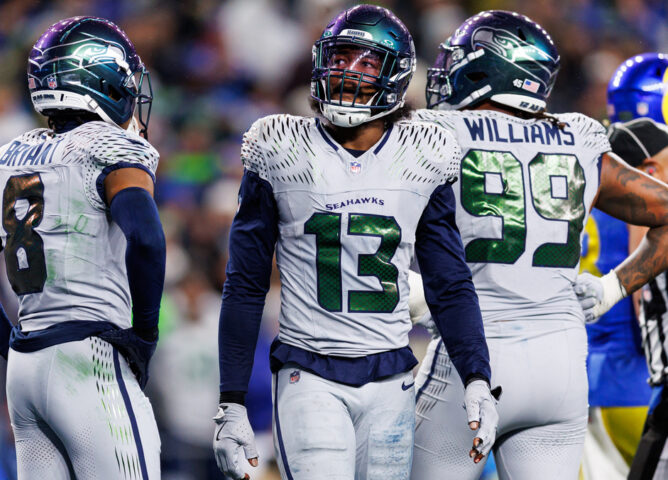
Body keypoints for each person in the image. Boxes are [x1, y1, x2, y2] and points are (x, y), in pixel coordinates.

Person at [213, 5, 498, 480]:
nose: (348, 72)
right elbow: (245, 283)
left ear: (395, 74)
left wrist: (477, 377)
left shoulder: (422, 153)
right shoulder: (280, 144)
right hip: (309, 372)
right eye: (341, 58)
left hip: (393, 376)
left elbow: (449, 281)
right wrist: (231, 400)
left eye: (367, 62)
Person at [411, 11, 668, 480]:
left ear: (489, 69)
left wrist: (415, 291)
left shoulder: (435, 134)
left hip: (473, 358)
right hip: (561, 364)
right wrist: (614, 287)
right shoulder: (577, 136)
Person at [0, 16, 165, 479]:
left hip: (26, 370)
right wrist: (144, 336)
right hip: (89, 360)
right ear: (101, 80)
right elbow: (145, 237)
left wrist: (9, 344)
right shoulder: (111, 147)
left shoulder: (11, 156)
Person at [579, 53, 668, 479]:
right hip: (634, 373)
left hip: (596, 368)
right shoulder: (650, 163)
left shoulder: (602, 153)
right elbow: (645, 288)